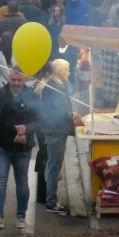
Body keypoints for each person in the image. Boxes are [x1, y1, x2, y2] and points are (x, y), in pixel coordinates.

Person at [0, 67, 40, 231]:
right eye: (13, 80)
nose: (16, 83)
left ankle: (21, 215)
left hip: (23, 149)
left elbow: (40, 120)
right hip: (1, 145)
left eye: (19, 80)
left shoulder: (33, 97)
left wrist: (27, 128)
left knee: (22, 181)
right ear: (9, 77)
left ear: (24, 79)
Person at [41, 59, 74, 216]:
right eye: (67, 69)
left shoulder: (60, 85)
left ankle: (51, 199)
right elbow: (54, 112)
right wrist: (71, 115)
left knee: (55, 165)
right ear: (60, 71)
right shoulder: (52, 88)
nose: (69, 72)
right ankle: (51, 201)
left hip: (60, 131)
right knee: (54, 166)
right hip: (55, 131)